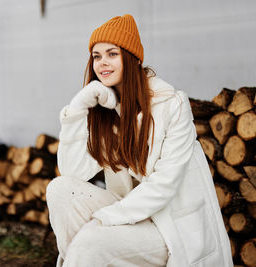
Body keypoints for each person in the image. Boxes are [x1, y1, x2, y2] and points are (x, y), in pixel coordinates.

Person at [46, 14, 233, 267]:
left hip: (168, 225)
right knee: (59, 190)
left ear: (131, 57)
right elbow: (72, 172)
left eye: (112, 54)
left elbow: (164, 184)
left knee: (91, 240)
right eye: (97, 56)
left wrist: (106, 219)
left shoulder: (172, 105)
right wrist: (77, 109)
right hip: (129, 213)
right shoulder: (104, 107)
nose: (103, 63)